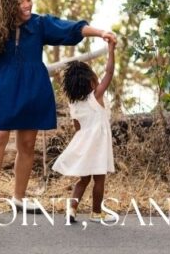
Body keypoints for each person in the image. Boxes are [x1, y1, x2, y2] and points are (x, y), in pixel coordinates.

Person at [0, 0, 117, 223]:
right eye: (20, 1)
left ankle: (19, 197)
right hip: (2, 90)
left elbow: (70, 29)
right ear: (6, 5)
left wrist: (101, 33)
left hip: (32, 90)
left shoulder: (39, 24)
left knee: (27, 144)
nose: (27, 5)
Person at [53, 40, 117, 224]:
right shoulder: (95, 96)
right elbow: (109, 72)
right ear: (91, 82)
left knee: (84, 179)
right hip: (98, 145)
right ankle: (96, 212)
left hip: (84, 144)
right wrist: (111, 50)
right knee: (99, 180)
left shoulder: (74, 104)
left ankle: (72, 209)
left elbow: (78, 128)